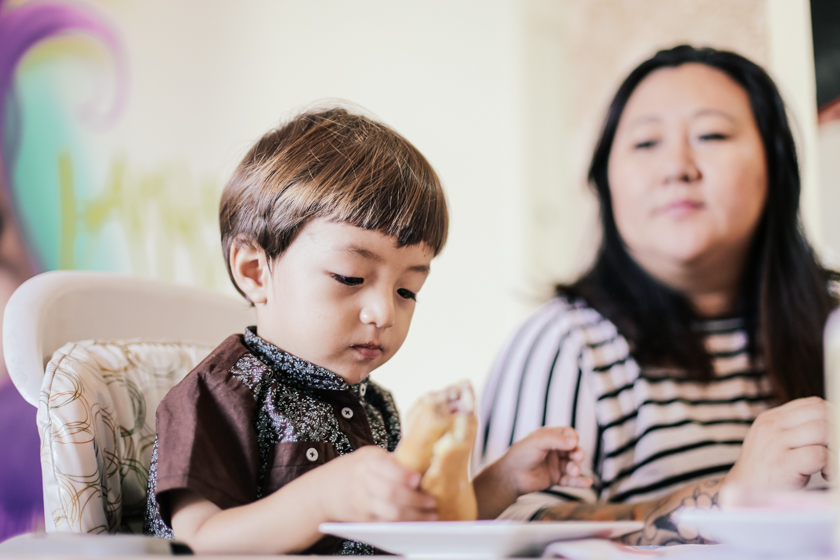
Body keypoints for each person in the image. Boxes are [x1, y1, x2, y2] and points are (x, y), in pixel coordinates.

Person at [144, 107, 592, 555]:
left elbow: (420, 535)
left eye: (406, 290)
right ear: (255, 271)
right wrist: (326, 497)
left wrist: (505, 480)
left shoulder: (375, 405)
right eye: (350, 278)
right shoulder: (221, 393)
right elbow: (197, 543)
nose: (383, 313)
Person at [476, 45, 836, 546]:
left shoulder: (833, 327)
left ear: (775, 167)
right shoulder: (568, 342)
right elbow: (510, 536)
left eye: (711, 135)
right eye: (646, 143)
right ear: (605, 181)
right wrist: (730, 498)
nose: (677, 167)